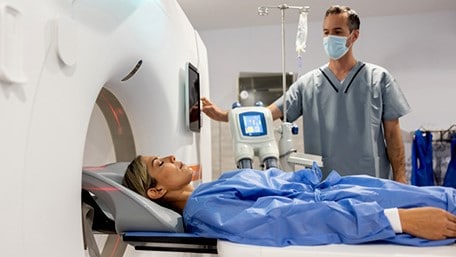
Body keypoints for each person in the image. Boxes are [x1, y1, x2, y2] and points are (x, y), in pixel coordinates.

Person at [202, 5, 411, 183]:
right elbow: (266, 115)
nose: (330, 38)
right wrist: (222, 115)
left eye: (337, 32)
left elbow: (392, 135)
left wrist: (401, 182)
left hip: (371, 183)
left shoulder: (379, 79)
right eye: (326, 32)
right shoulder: (308, 84)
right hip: (324, 186)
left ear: (354, 35)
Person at [122, 154, 456, 247]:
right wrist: (397, 220)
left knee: (442, 196)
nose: (169, 156)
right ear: (155, 192)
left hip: (343, 192)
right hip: (353, 209)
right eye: (159, 164)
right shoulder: (205, 211)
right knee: (444, 206)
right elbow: (289, 218)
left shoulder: (212, 187)